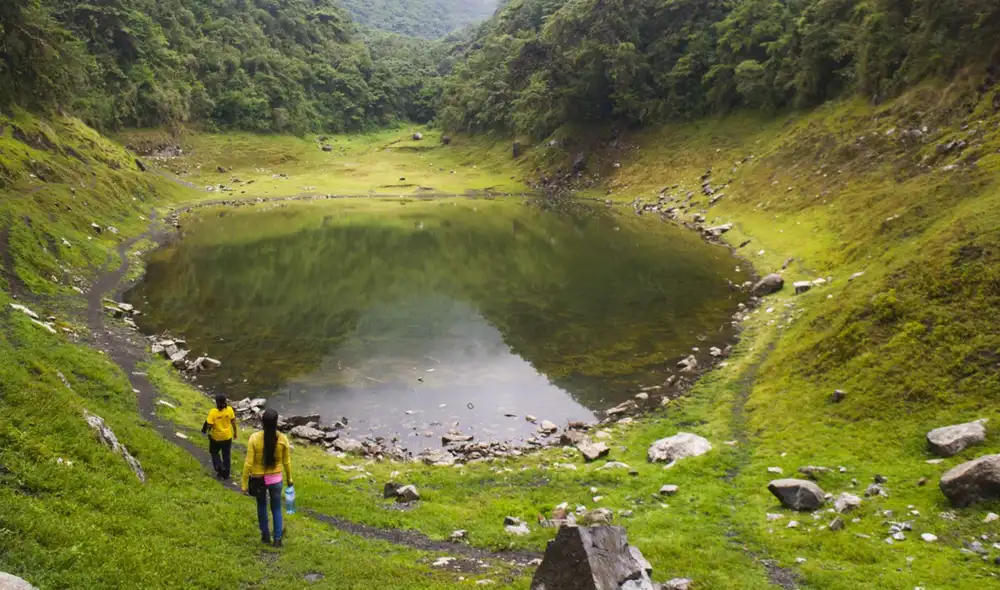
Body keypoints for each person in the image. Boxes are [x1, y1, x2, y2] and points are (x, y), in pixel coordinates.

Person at [241, 408, 293, 547]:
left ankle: (265, 535)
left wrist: (244, 482)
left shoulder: (254, 438)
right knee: (276, 508)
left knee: (262, 505)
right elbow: (286, 462)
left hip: (258, 479)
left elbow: (248, 463)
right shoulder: (282, 439)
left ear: (262, 422)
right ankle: (277, 539)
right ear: (276, 422)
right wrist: (289, 478)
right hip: (275, 480)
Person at [202, 394, 236, 479]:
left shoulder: (213, 412)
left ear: (217, 402)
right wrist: (235, 433)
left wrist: (208, 433)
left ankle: (220, 467)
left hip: (216, 437)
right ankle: (226, 474)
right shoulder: (229, 410)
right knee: (226, 455)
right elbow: (233, 423)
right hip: (227, 437)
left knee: (214, 452)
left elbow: (209, 425)